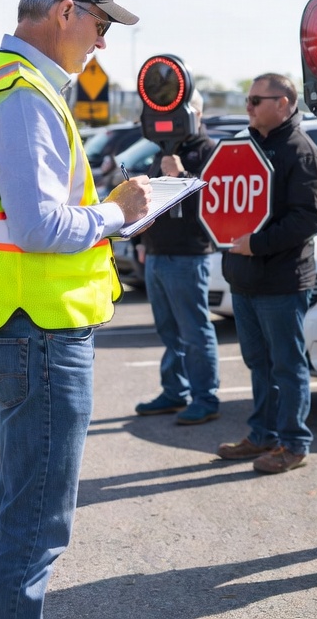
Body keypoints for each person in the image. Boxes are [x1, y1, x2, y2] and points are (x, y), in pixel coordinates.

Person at [0, 0, 150, 618]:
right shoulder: (23, 95)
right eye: (100, 23)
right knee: (36, 524)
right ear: (65, 12)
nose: (103, 41)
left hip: (14, 324)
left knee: (19, 509)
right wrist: (119, 212)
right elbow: (39, 225)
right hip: (39, 330)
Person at [215, 73, 317, 474]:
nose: (247, 106)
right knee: (258, 363)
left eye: (255, 100)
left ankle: (293, 443)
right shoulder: (247, 147)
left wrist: (257, 244)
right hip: (244, 278)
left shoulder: (301, 151)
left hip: (281, 280)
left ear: (282, 103)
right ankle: (262, 434)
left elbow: (308, 218)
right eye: (247, 99)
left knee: (286, 366)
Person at [133, 89, 221, 425]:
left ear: (197, 114)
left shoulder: (209, 152)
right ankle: (174, 392)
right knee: (169, 331)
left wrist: (183, 176)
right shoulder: (162, 149)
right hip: (157, 252)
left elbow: (215, 204)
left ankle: (205, 398)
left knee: (194, 330)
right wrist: (143, 241)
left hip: (188, 255)